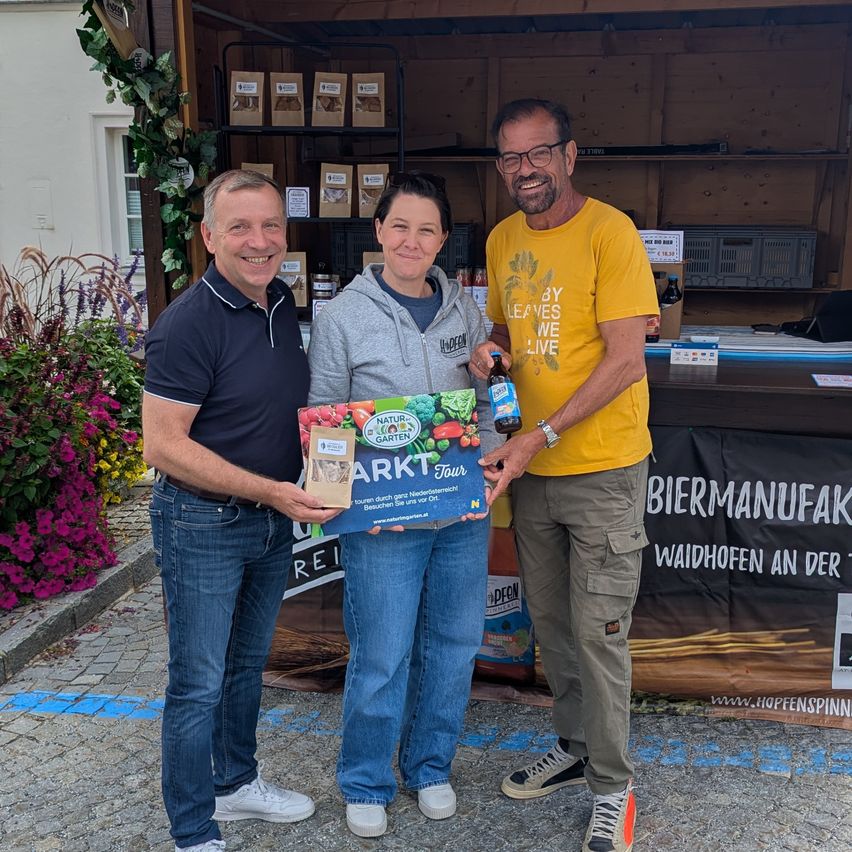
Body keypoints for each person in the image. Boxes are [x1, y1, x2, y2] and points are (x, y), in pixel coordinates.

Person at [469, 99, 658, 852]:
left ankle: (615, 788)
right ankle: (576, 750)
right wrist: (489, 353)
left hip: (603, 468)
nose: (525, 170)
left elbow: (625, 359)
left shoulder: (611, 232)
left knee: (601, 631)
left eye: (538, 153)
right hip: (533, 473)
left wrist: (538, 437)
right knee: (552, 627)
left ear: (569, 155)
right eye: (511, 158)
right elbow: (503, 330)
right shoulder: (502, 238)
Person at [142, 169, 339, 852]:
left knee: (246, 665)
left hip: (267, 519)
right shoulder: (185, 326)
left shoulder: (279, 298)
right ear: (208, 236)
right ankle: (193, 827)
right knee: (196, 682)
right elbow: (162, 446)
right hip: (203, 522)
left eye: (270, 226)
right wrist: (270, 491)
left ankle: (235, 784)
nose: (259, 242)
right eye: (240, 227)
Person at [307, 171, 499, 839]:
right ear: (379, 232)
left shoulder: (465, 311)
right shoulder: (342, 318)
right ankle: (365, 779)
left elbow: (482, 406)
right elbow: (327, 422)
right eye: (400, 227)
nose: (412, 240)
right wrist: (330, 499)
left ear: (443, 239)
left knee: (452, 645)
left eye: (427, 229)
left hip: (459, 518)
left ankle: (429, 767)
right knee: (383, 652)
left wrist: (492, 464)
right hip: (382, 522)